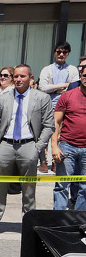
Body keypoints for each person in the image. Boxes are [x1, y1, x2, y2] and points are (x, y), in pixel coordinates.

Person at [0, 65, 55, 234]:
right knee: (0, 187)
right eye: (16, 76)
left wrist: (37, 147)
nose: (18, 79)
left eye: (22, 76)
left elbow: (49, 125)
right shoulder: (4, 97)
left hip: (29, 145)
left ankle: (28, 224)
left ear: (31, 78)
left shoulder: (41, 98)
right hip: (5, 145)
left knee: (29, 189)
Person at [39, 42, 80, 173]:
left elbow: (73, 88)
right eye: (59, 52)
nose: (61, 54)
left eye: (64, 52)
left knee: (59, 136)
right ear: (54, 53)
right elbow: (42, 87)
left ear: (68, 54)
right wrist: (61, 86)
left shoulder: (72, 70)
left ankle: (55, 161)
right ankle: (43, 162)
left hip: (65, 107)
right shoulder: (47, 69)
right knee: (44, 134)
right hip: (47, 106)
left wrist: (53, 88)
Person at [50, 66, 86, 210]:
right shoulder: (67, 96)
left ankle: (80, 222)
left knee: (85, 188)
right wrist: (54, 146)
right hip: (67, 147)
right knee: (62, 185)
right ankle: (58, 221)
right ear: (80, 76)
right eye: (85, 75)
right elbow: (56, 122)